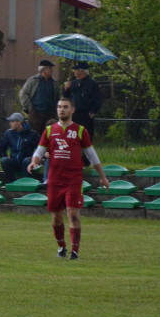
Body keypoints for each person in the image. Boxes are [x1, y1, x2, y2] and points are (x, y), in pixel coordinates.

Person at [29, 97, 111, 260]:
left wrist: (103, 177)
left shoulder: (80, 131)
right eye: (59, 107)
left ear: (72, 110)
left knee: (73, 213)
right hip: (55, 180)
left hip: (73, 179)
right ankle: (61, 246)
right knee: (56, 216)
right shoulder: (50, 130)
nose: (62, 109)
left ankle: (75, 250)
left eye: (65, 107)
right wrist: (34, 162)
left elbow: (92, 155)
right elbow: (39, 151)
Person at [60, 62, 102, 139]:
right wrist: (66, 89)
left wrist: (92, 112)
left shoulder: (92, 84)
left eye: (76, 70)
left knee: (85, 137)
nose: (74, 71)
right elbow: (66, 98)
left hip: (85, 115)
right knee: (73, 138)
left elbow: (97, 100)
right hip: (73, 115)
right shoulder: (73, 83)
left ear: (81, 71)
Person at [19, 59, 59, 135]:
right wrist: (29, 107)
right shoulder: (33, 80)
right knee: (34, 135)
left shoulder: (55, 82)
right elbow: (23, 93)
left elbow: (57, 98)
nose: (52, 70)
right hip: (36, 114)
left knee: (50, 135)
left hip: (50, 114)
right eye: (50, 68)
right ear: (43, 69)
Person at [0, 111, 40, 182]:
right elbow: (2, 148)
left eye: (12, 121)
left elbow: (39, 149)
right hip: (14, 161)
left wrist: (35, 160)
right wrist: (4, 156)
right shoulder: (8, 134)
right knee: (4, 160)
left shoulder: (32, 134)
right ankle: (11, 182)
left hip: (27, 162)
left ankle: (27, 182)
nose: (10, 123)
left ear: (19, 122)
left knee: (26, 161)